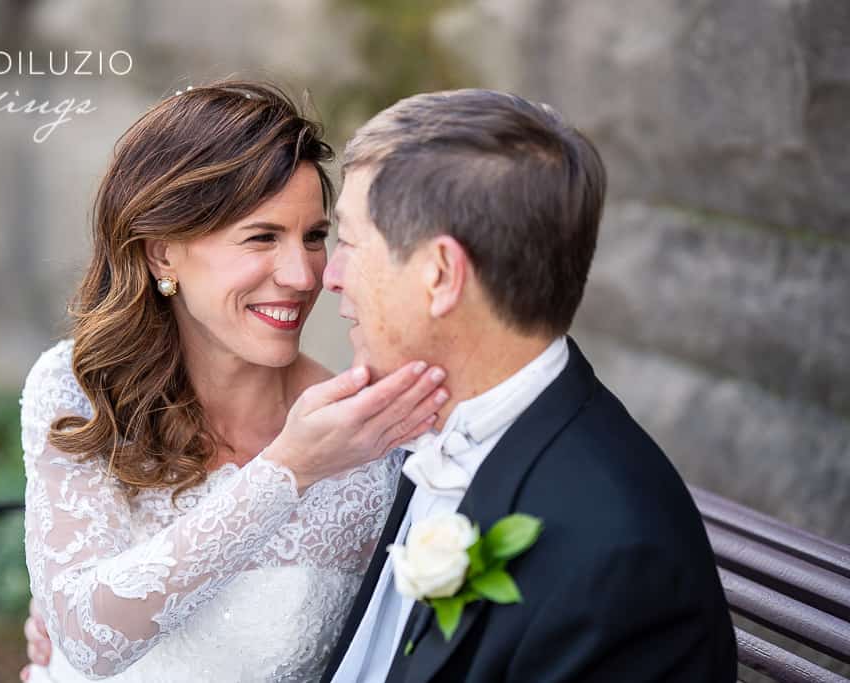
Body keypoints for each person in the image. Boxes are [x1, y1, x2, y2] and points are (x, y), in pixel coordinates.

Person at [18, 80, 449, 683]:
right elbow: (90, 636)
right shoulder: (77, 387)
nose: (303, 276)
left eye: (315, 236)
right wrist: (288, 471)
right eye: (262, 237)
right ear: (162, 253)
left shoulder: (373, 441)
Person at [315, 89, 737, 681]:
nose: (330, 276)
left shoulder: (617, 565)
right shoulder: (429, 425)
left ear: (441, 275)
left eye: (350, 242)